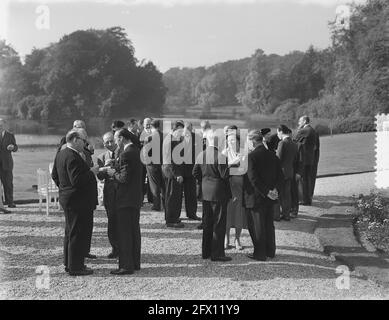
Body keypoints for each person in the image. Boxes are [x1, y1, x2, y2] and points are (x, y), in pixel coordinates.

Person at [51, 129, 99, 276]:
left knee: (70, 232)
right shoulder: (72, 156)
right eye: (84, 141)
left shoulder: (61, 154)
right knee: (77, 233)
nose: (85, 144)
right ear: (75, 140)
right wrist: (92, 172)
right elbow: (77, 181)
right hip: (77, 200)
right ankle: (76, 267)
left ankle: (69, 262)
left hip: (69, 198)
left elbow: (55, 175)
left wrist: (64, 190)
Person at [243, 130, 283, 261]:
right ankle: (270, 251)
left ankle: (260, 253)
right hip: (270, 196)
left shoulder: (251, 157)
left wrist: (267, 192)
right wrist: (274, 191)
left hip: (257, 197)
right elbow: (280, 176)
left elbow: (253, 179)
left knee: (257, 225)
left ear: (253, 141)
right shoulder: (273, 155)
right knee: (268, 224)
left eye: (249, 141)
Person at [193, 129, 232, 262]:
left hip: (205, 192)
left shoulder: (201, 154)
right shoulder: (220, 156)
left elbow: (195, 172)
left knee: (207, 222)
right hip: (218, 193)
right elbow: (225, 175)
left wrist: (204, 181)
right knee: (219, 223)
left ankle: (206, 252)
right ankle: (217, 254)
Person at [108, 128, 143, 275]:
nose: (115, 141)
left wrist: (112, 173)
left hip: (125, 199)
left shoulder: (126, 154)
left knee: (124, 233)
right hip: (135, 197)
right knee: (134, 231)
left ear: (122, 138)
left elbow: (124, 178)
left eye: (116, 138)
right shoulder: (136, 151)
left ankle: (126, 266)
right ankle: (135, 263)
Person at [222, 127, 247, 250]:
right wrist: (233, 165)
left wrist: (230, 167)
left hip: (240, 188)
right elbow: (221, 172)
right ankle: (226, 238)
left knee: (238, 216)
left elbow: (244, 170)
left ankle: (237, 239)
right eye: (229, 140)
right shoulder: (224, 153)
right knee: (227, 215)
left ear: (238, 141)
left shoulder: (243, 153)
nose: (231, 143)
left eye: (233, 140)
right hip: (227, 190)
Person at [97, 132, 120, 259]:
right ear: (104, 143)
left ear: (115, 140)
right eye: (107, 142)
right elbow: (100, 177)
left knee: (122, 221)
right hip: (109, 193)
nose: (110, 144)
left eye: (111, 141)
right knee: (111, 221)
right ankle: (115, 248)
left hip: (122, 192)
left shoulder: (123, 153)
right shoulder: (101, 157)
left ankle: (125, 247)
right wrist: (104, 168)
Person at [162, 120, 185, 228]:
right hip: (172, 171)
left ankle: (173, 217)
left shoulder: (171, 138)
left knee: (173, 196)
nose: (181, 133)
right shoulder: (171, 140)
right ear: (174, 130)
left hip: (169, 170)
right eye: (180, 131)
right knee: (172, 196)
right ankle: (171, 220)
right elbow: (171, 159)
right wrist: (177, 174)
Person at [293, 116, 317, 205]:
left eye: (300, 121)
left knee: (302, 180)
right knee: (307, 179)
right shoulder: (313, 130)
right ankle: (307, 199)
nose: (298, 123)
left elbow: (294, 141)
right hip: (310, 159)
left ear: (304, 121)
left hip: (303, 159)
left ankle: (303, 199)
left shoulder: (304, 131)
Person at [276, 125, 298, 221]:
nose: (277, 135)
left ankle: (282, 213)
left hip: (281, 172)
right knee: (287, 194)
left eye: (277, 133)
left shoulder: (282, 143)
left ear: (281, 131)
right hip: (290, 171)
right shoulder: (294, 144)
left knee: (281, 194)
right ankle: (287, 214)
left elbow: (278, 159)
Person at [181, 122, 201, 221]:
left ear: (192, 128)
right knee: (176, 194)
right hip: (180, 169)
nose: (188, 130)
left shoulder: (196, 137)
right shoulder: (178, 138)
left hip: (191, 170)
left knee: (191, 194)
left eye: (189, 128)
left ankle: (192, 213)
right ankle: (175, 215)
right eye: (186, 128)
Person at [144, 119, 165, 211]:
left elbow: (145, 153)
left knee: (154, 185)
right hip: (163, 163)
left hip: (152, 164)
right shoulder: (165, 136)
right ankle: (165, 204)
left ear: (151, 127)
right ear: (159, 126)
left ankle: (156, 205)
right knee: (164, 185)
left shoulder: (148, 138)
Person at [0, 118, 18, 208]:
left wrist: (12, 147)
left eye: (1, 124)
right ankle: (1, 203)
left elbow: (16, 147)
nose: (0, 126)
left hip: (7, 164)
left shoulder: (10, 135)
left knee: (8, 184)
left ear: (4, 125)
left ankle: (10, 202)